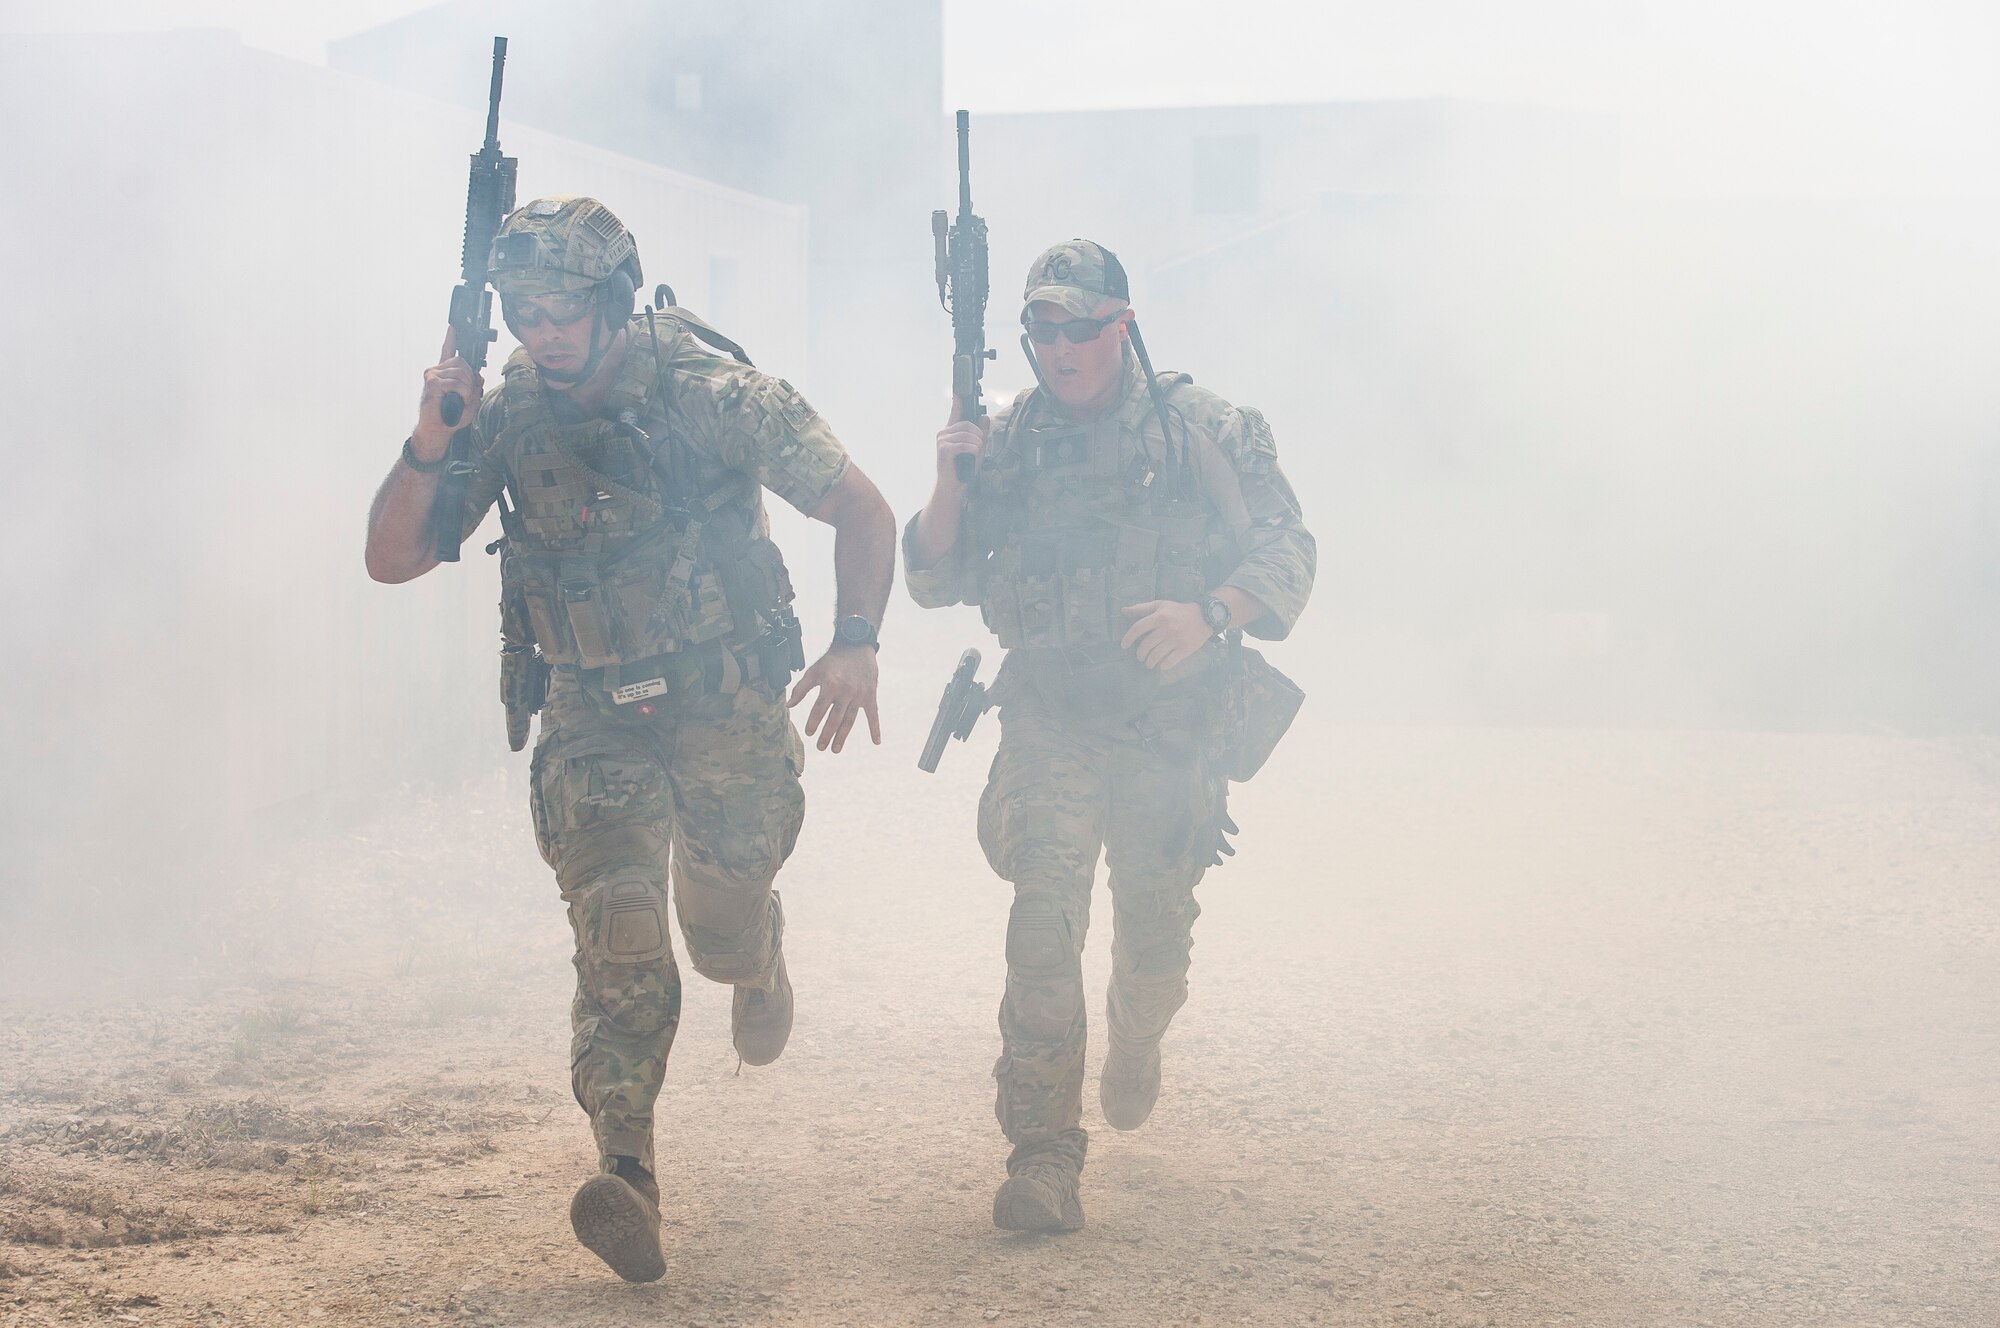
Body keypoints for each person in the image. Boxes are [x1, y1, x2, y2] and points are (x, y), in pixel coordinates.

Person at [364, 196, 895, 1281]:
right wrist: (432, 436)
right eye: (521, 308)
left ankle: (757, 958)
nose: (542, 328)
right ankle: (627, 1170)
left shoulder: (708, 392)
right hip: (591, 708)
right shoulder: (504, 414)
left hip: (723, 705)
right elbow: (393, 557)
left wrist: (852, 643)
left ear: (610, 298)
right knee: (618, 928)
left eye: (563, 305)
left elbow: (861, 508)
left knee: (717, 921)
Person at [904, 240, 1315, 1232]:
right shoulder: (1003, 441)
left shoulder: (1197, 429)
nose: (1059, 347)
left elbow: (1287, 547)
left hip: (1168, 728)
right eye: (1040, 328)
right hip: (1049, 717)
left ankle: (1137, 1032)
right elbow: (930, 581)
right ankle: (1042, 1158)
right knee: (1042, 927)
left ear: (1120, 326)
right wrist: (950, 477)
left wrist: (1210, 613)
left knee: (1153, 941)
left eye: (1079, 326)